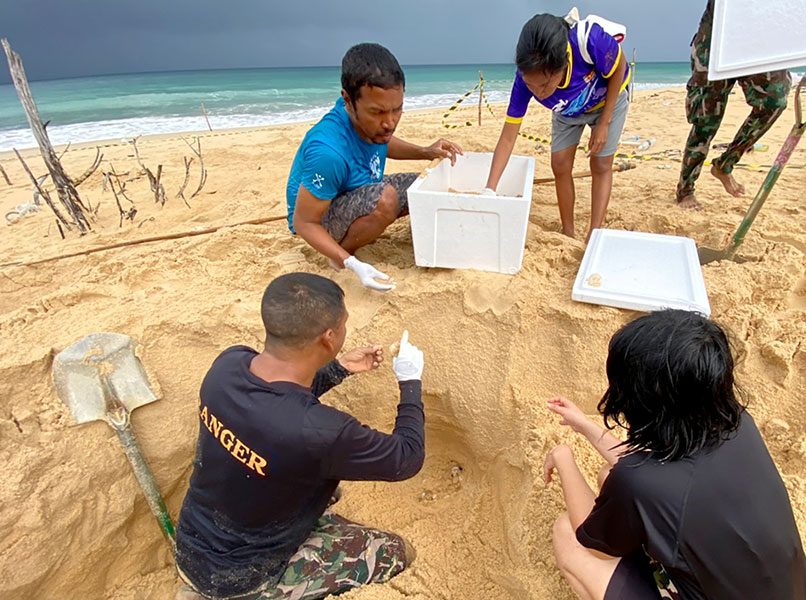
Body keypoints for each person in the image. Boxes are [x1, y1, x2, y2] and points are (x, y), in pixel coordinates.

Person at [174, 272, 427, 600]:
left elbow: (277, 399)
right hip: (242, 577)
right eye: (344, 325)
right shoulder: (320, 432)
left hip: (192, 543)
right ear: (328, 337)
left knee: (317, 484)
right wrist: (410, 381)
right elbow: (406, 458)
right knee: (393, 551)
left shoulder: (228, 365)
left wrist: (338, 369)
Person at [543, 310, 806, 600]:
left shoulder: (639, 482)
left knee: (566, 534)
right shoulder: (736, 422)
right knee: (607, 476)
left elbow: (593, 543)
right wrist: (586, 427)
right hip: (789, 590)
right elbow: (657, 479)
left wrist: (563, 457)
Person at [287, 43, 463, 291]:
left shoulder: (369, 124)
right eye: (377, 112)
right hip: (321, 217)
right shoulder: (327, 152)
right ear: (347, 100)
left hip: (356, 190)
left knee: (424, 185)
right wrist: (350, 263)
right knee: (386, 199)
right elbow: (305, 222)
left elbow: (379, 143)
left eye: (397, 109)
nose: (390, 123)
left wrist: (425, 152)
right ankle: (340, 254)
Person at [485, 11, 631, 242]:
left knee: (601, 163)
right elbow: (507, 138)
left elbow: (620, 66)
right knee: (560, 165)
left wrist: (605, 122)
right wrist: (489, 190)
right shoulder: (524, 81)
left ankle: (594, 234)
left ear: (563, 64)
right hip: (567, 110)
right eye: (532, 87)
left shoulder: (590, 41)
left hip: (605, 101)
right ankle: (568, 232)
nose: (538, 93)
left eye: (544, 85)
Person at [677, 0, 792, 210]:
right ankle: (685, 190)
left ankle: (724, 164)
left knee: (775, 102)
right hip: (716, 40)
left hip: (760, 38)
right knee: (705, 119)